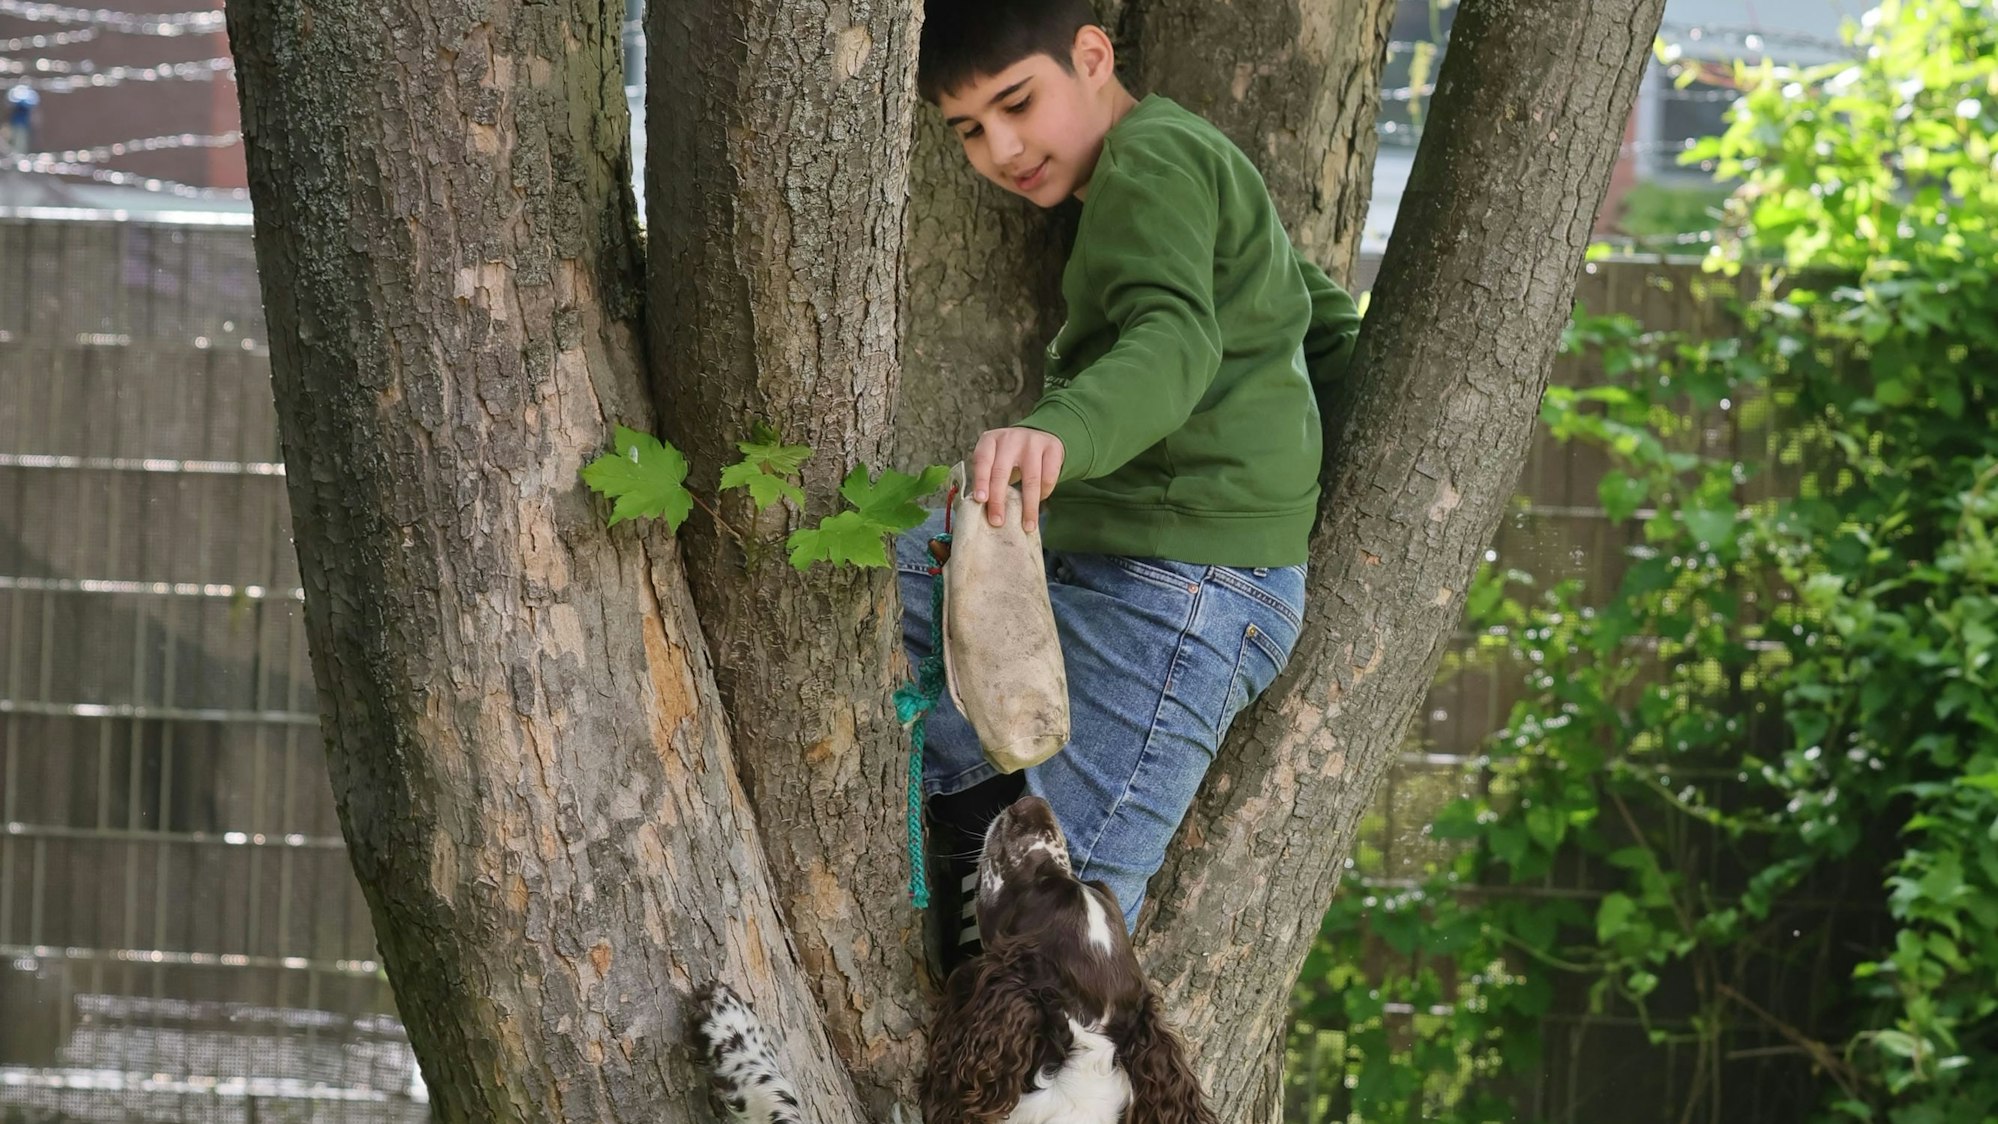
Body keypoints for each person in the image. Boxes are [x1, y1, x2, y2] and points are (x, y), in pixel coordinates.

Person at [899, 0, 1364, 971]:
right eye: (971, 130)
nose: (1003, 146)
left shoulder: (1150, 160)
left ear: (1093, 55)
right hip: (1148, 572)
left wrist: (1056, 429)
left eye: (1018, 102)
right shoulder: (1175, 164)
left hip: (1183, 591)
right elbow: (1313, 321)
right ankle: (975, 821)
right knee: (910, 553)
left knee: (1052, 952)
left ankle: (988, 887)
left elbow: (1174, 340)